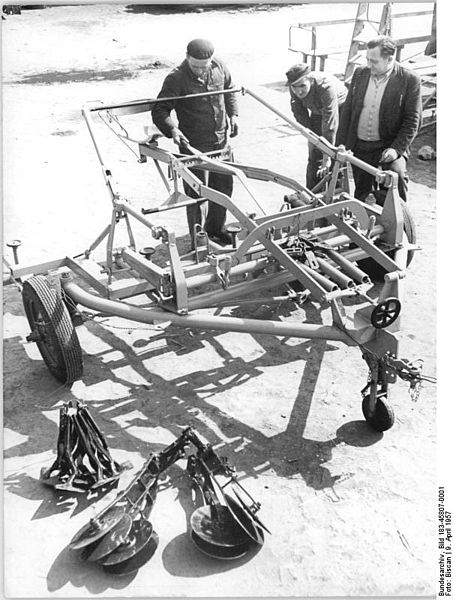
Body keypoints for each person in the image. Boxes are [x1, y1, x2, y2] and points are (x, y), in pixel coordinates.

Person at [152, 38, 239, 247]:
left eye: (204, 66)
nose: (200, 71)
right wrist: (173, 129)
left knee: (223, 189)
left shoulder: (219, 66)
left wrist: (233, 115)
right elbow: (159, 110)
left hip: (221, 141)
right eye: (195, 67)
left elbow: (229, 90)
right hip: (193, 145)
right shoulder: (176, 78)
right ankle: (199, 240)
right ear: (187, 58)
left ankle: (216, 230)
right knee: (197, 194)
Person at [336, 36, 422, 202]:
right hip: (361, 147)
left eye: (374, 61)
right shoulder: (360, 73)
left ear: (390, 59)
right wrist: (342, 143)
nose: (369, 65)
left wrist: (396, 150)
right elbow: (347, 111)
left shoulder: (409, 80)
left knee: (395, 182)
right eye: (367, 59)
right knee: (361, 193)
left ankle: (399, 223)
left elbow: (413, 120)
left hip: (388, 146)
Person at [286, 63, 348, 190]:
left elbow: (330, 124)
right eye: (295, 87)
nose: (299, 91)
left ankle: (336, 190)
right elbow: (300, 116)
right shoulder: (294, 87)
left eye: (302, 85)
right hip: (318, 111)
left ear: (310, 79)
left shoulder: (325, 86)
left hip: (341, 110)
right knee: (314, 155)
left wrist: (326, 156)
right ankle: (311, 192)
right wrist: (312, 139)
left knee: (336, 154)